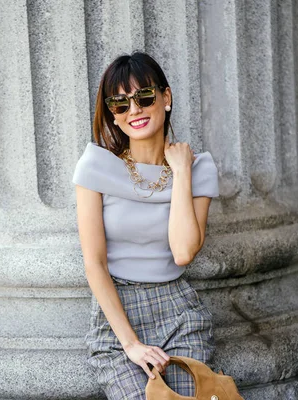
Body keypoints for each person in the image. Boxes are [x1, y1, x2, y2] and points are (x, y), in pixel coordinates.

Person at [73, 51, 219, 399]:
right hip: (119, 317)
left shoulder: (198, 170)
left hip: (179, 312)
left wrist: (181, 171)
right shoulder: (96, 167)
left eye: (144, 97)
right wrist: (132, 344)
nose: (134, 110)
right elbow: (94, 263)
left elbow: (183, 252)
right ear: (112, 114)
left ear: (165, 98)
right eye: (120, 104)